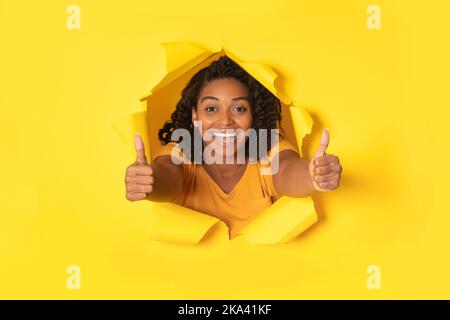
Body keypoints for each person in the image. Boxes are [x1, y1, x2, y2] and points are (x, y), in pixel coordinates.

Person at [125, 56, 342, 238]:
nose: (225, 121)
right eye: (211, 108)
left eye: (238, 109)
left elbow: (287, 171)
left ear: (253, 116)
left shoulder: (267, 151)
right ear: (194, 116)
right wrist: (149, 183)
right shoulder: (182, 152)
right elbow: (167, 176)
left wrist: (312, 175)